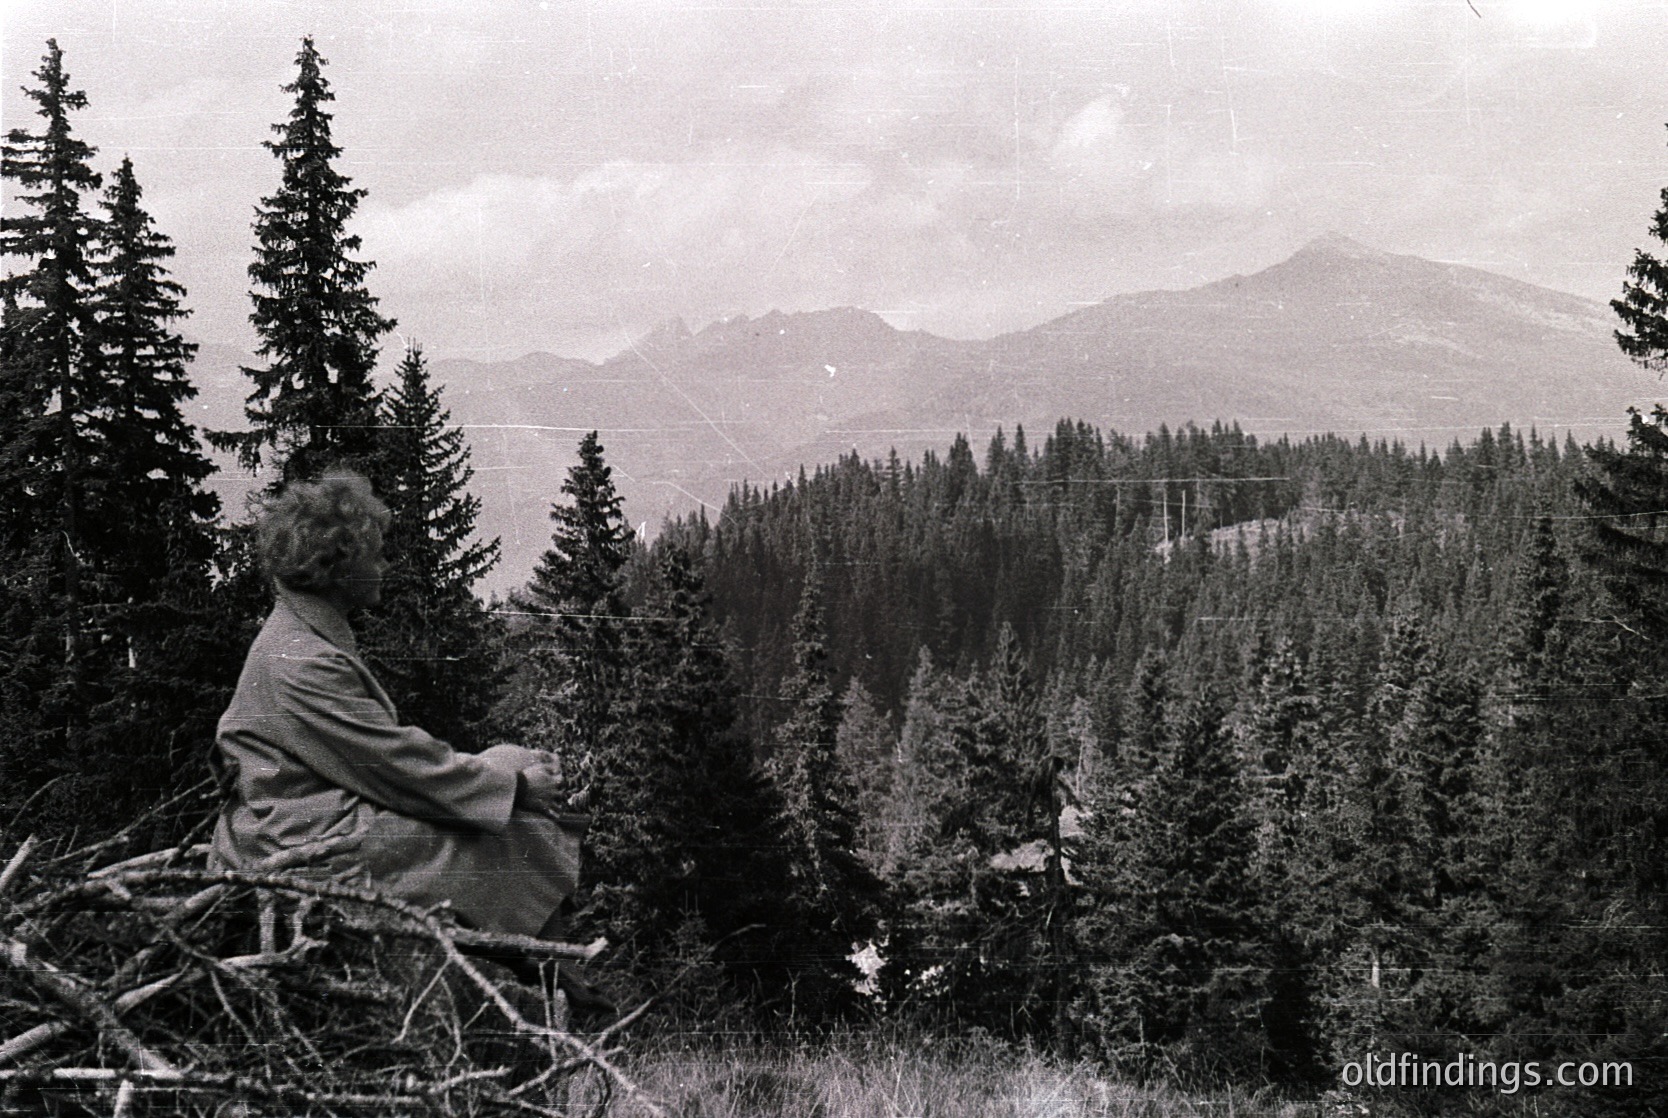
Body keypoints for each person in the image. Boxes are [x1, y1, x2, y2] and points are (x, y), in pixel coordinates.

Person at [210, 469, 586, 942]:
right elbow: (395, 764)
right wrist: (515, 789)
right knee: (512, 827)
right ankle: (549, 967)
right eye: (376, 555)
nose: (385, 566)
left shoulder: (302, 634)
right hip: (308, 843)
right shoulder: (302, 662)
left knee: (518, 767)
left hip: (315, 814)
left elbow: (389, 758)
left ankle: (547, 962)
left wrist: (513, 779)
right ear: (338, 567)